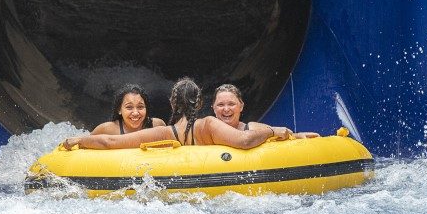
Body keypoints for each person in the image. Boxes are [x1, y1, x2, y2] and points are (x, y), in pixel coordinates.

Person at [63, 77, 290, 150]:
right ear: (200, 102)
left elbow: (112, 142)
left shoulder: (163, 133)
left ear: (173, 104)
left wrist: (81, 140)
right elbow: (246, 139)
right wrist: (274, 130)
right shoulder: (208, 125)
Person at [212, 83, 320, 139]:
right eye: (220, 105)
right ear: (213, 108)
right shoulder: (205, 130)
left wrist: (297, 136)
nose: (226, 109)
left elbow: (283, 132)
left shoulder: (252, 128)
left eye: (231, 104)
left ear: (241, 106)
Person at [89, 84, 166, 135]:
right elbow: (83, 143)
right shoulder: (107, 130)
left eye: (140, 107)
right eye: (129, 107)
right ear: (119, 110)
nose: (135, 113)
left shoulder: (157, 125)